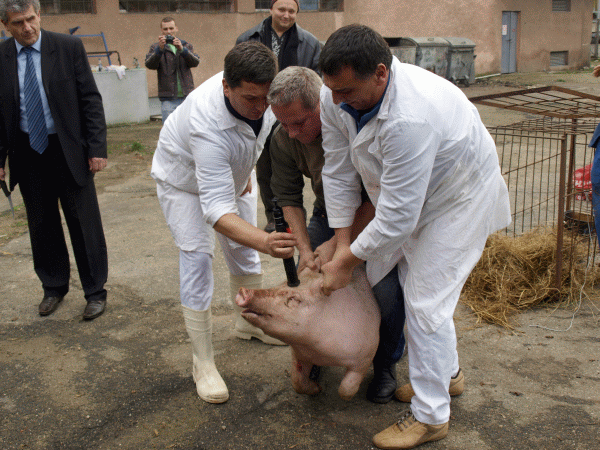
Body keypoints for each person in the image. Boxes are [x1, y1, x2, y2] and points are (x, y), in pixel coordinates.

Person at [318, 25, 511, 449]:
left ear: (381, 74)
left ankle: (431, 416)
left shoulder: (411, 116)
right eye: (331, 88)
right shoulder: (334, 93)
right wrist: (341, 238)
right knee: (419, 289)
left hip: (458, 196)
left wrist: (345, 262)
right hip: (410, 196)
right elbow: (336, 166)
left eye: (346, 90)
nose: (334, 100)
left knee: (425, 301)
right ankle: (448, 377)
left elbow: (398, 218)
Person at [150, 41, 297, 405]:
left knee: (244, 257)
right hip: (184, 183)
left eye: (267, 97)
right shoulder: (207, 122)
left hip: (229, 172)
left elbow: (261, 134)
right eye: (251, 99)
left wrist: (242, 169)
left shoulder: (263, 95)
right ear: (225, 87)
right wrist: (265, 240)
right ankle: (202, 362)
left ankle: (248, 323)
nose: (261, 107)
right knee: (198, 259)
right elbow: (215, 212)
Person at [267, 65, 407, 403]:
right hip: (327, 214)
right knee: (306, 281)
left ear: (321, 106)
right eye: (283, 123)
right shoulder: (283, 137)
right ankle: (312, 355)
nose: (291, 132)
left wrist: (337, 245)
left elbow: (381, 198)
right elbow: (287, 197)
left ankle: (384, 362)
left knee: (384, 289)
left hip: (375, 213)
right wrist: (306, 248)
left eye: (299, 122)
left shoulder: (349, 127)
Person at [0, 0, 109, 320]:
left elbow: (90, 99)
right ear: (6, 26)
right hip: (27, 151)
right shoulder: (2, 57)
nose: (27, 27)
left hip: (68, 150)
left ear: (39, 15)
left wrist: (97, 148)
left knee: (83, 223)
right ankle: (53, 287)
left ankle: (95, 291)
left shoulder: (68, 47)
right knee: (41, 223)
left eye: (31, 19)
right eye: (18, 23)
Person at [236, 0, 321, 233]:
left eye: (291, 11)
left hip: (296, 110)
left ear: (297, 13)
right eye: (281, 9)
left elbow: (316, 79)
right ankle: (275, 217)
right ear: (271, 9)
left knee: (303, 164)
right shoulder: (249, 38)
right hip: (262, 109)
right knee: (265, 167)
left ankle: (313, 216)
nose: (286, 14)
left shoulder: (311, 43)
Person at [145, 17, 200, 122]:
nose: (168, 32)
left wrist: (182, 50)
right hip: (168, 99)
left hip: (186, 96)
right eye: (165, 29)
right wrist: (159, 50)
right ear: (161, 30)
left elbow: (195, 62)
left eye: (171, 28)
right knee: (168, 132)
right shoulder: (156, 47)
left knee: (188, 129)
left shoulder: (185, 45)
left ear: (176, 29)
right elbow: (149, 64)